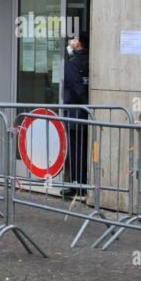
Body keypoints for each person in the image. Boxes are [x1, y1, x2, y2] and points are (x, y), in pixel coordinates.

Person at [61, 31, 90, 198]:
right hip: (84, 113)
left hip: (75, 112)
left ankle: (77, 184)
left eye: (72, 39)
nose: (70, 42)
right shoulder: (89, 60)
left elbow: (76, 88)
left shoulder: (74, 63)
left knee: (75, 149)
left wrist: (83, 104)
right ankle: (80, 183)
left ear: (78, 43)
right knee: (82, 148)